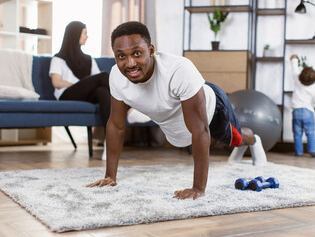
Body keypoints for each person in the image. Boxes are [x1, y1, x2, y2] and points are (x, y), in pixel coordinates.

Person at [86, 21, 266, 200]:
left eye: (137, 53)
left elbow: (200, 129)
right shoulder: (116, 77)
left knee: (234, 138)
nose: (130, 63)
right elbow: (116, 125)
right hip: (176, 123)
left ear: (150, 50)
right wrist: (110, 176)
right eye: (121, 57)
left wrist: (198, 188)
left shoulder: (178, 70)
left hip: (212, 106)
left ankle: (253, 139)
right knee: (187, 136)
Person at [49, 21, 150, 160]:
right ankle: (130, 109)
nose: (87, 36)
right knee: (104, 76)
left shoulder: (88, 60)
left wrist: (87, 85)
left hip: (86, 95)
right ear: (74, 34)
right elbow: (56, 82)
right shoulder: (58, 58)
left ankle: (109, 143)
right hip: (67, 95)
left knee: (102, 91)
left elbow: (98, 81)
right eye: (84, 33)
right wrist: (80, 84)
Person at [290, 54, 315, 158]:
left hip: (296, 111)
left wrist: (294, 59)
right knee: (310, 132)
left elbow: (294, 69)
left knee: (297, 133)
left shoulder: (297, 80)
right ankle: (312, 151)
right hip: (308, 112)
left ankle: (299, 152)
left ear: (301, 75)